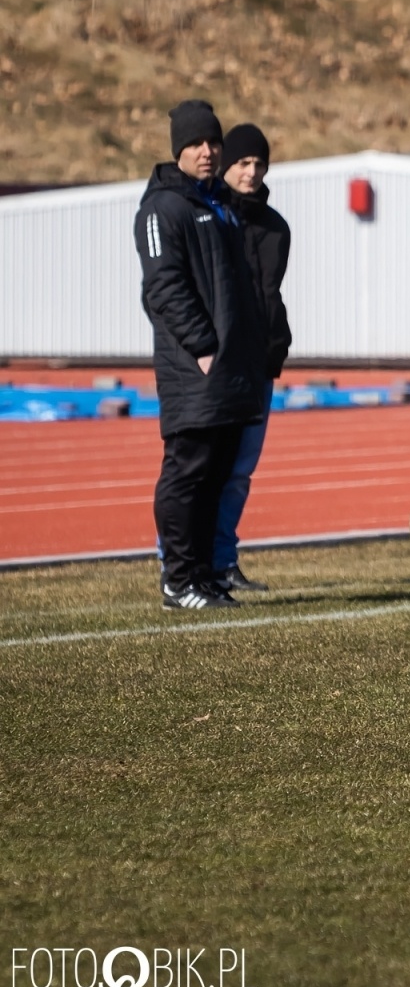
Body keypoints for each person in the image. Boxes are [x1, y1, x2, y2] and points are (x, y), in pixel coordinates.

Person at [135, 99, 268, 610]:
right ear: (178, 151)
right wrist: (204, 347)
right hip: (196, 369)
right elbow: (164, 288)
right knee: (187, 471)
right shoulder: (161, 209)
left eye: (213, 142)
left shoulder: (218, 206)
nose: (208, 152)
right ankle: (178, 578)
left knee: (215, 473)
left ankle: (205, 574)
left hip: (232, 367)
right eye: (196, 144)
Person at [209, 123, 293, 593]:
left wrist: (275, 344)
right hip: (219, 363)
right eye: (243, 162)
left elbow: (269, 293)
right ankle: (183, 564)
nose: (252, 171)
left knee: (240, 471)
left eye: (259, 163)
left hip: (260, 362)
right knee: (206, 468)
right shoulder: (210, 216)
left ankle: (223, 560)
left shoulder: (275, 226)